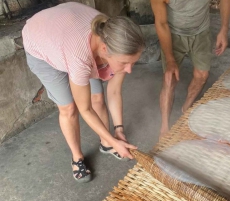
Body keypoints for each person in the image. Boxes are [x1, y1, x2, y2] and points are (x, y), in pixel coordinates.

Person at [22, 2, 145, 183]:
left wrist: (117, 132)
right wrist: (115, 140)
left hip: (65, 30)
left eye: (132, 63)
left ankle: (106, 143)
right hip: (41, 43)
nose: (129, 70)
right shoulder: (80, 59)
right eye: (125, 63)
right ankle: (77, 157)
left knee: (98, 96)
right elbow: (85, 109)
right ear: (104, 50)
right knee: (69, 108)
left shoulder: (116, 36)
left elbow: (114, 91)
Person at [150, 0, 230, 137]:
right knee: (170, 80)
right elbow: (161, 23)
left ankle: (186, 110)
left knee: (202, 76)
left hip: (201, 32)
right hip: (172, 33)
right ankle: (164, 127)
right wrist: (170, 60)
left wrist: (224, 29)